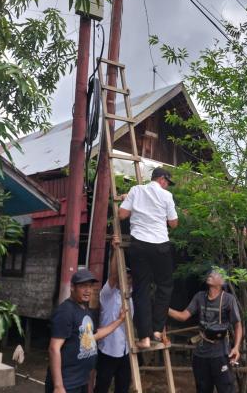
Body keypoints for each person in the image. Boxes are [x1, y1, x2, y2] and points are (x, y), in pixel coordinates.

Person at [119, 167, 178, 349]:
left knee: (141, 289)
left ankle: (144, 337)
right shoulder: (166, 196)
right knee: (165, 286)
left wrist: (127, 199)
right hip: (160, 245)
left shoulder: (136, 190)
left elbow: (122, 215)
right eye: (167, 182)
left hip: (139, 245)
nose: (167, 186)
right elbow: (174, 224)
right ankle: (158, 330)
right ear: (161, 179)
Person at [45, 269, 126, 393]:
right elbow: (54, 348)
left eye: (90, 286)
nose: (88, 290)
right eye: (83, 286)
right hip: (67, 383)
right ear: (72, 287)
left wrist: (119, 321)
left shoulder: (84, 310)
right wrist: (58, 386)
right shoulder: (65, 311)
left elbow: (94, 336)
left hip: (81, 380)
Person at [168, 269, 242, 393]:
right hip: (200, 355)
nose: (211, 275)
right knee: (202, 390)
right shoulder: (199, 297)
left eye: (216, 274)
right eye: (211, 273)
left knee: (226, 389)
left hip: (221, 354)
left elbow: (238, 325)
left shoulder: (228, 299)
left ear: (222, 282)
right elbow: (183, 316)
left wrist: (236, 347)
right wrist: (165, 308)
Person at [94, 236, 133, 393]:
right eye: (125, 277)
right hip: (108, 350)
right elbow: (113, 276)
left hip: (125, 350)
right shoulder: (108, 293)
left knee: (123, 387)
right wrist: (116, 250)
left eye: (130, 278)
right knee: (102, 386)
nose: (128, 281)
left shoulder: (131, 295)